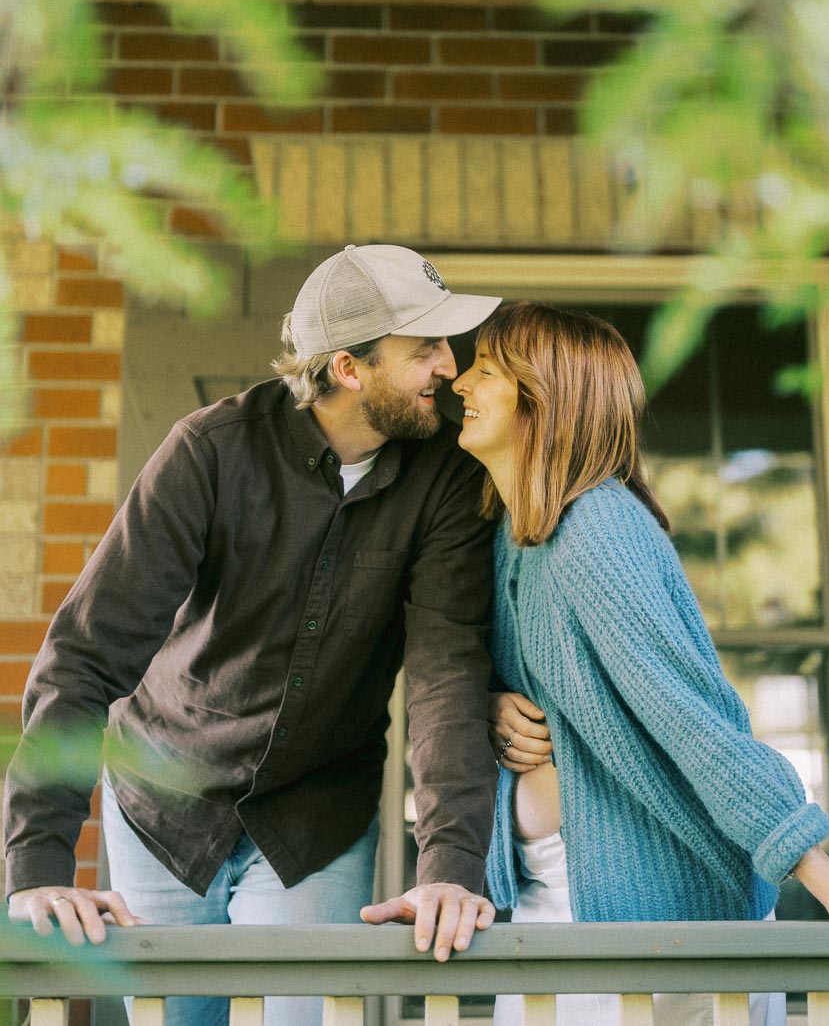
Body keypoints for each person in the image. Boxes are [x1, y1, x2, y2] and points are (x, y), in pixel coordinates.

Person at [4, 243, 503, 1025]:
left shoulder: (447, 478)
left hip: (314, 820)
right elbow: (83, 657)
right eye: (425, 348)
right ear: (347, 368)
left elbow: (446, 675)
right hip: (164, 804)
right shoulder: (208, 451)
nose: (451, 364)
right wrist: (37, 863)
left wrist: (450, 866)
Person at [452, 301, 829, 1026]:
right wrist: (493, 706)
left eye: (486, 370)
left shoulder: (594, 528)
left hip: (658, 932)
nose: (459, 384)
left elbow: (695, 718)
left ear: (543, 397)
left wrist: (821, 874)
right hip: (568, 912)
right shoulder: (515, 536)